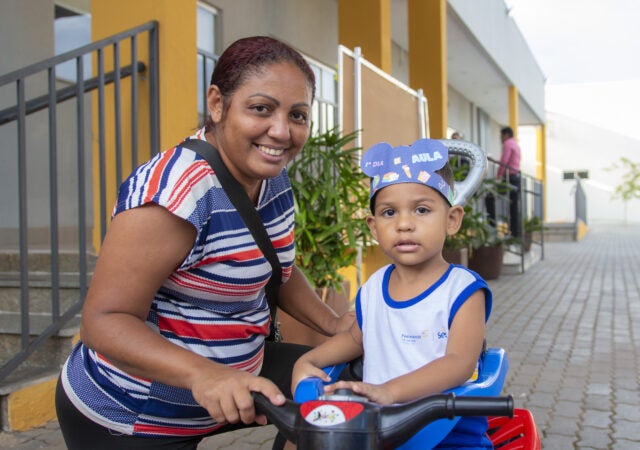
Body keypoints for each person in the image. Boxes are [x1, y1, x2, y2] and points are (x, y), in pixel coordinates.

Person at [55, 36, 353, 449]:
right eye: (261, 108)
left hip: (238, 373)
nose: (281, 131)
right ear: (217, 104)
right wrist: (205, 374)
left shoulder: (271, 176)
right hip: (134, 413)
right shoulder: (174, 194)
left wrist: (335, 325)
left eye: (297, 115)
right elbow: (104, 321)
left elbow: (275, 269)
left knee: (344, 388)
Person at [292, 139, 494, 448]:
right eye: (389, 213)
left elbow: (459, 363)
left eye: (421, 210)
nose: (404, 224)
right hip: (379, 431)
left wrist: (389, 391)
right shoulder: (373, 287)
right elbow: (356, 339)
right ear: (373, 227)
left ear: (451, 220)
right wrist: (309, 361)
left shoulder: (463, 290)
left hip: (449, 433)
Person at [485, 126, 522, 237]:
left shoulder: (507, 144)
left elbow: (504, 162)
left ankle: (492, 227)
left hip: (509, 178)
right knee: (513, 206)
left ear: (506, 135)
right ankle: (515, 234)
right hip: (516, 176)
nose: (500, 139)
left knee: (489, 197)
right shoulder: (515, 144)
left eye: (501, 136)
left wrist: (498, 175)